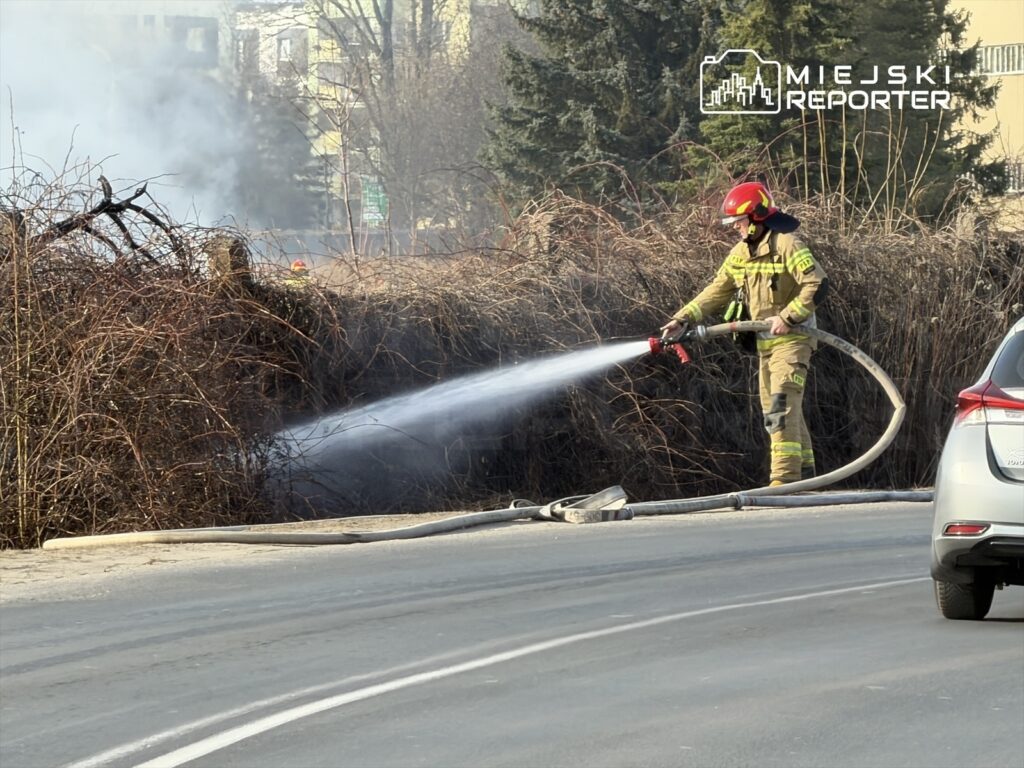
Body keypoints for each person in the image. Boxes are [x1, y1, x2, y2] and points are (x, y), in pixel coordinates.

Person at [660, 181, 830, 486]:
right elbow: (719, 289)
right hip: (766, 343)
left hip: (793, 340)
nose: (736, 228)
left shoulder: (787, 245)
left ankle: (784, 482)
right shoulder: (741, 253)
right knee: (776, 410)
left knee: (781, 406)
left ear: (756, 218)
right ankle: (805, 476)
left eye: (738, 222)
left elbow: (817, 284)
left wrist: (789, 316)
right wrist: (682, 318)